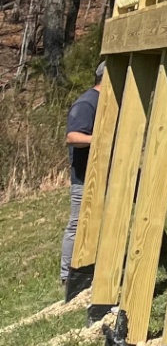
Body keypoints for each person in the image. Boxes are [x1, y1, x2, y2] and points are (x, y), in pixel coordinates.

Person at [61, 68, 102, 301]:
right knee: (77, 224)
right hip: (85, 177)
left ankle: (162, 245)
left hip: (108, 173)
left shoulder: (105, 101)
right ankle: (67, 276)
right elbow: (73, 137)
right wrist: (102, 138)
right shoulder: (87, 103)